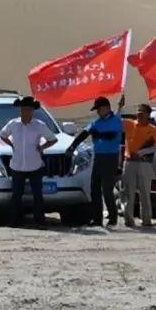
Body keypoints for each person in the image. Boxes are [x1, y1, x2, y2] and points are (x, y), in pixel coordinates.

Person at [0, 96, 58, 228]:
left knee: (37, 194)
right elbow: (2, 134)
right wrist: (12, 145)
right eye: (23, 109)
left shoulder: (39, 125)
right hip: (17, 165)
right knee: (16, 194)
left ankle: (40, 221)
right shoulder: (13, 124)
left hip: (35, 164)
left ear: (32, 110)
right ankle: (15, 221)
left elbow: (53, 139)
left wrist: (42, 147)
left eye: (28, 109)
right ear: (20, 110)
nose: (25, 112)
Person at [66, 96, 124, 227]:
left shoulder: (116, 120)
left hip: (110, 158)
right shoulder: (96, 123)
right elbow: (84, 134)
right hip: (98, 157)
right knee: (95, 188)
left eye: (99, 109)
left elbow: (111, 136)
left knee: (107, 189)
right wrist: (72, 146)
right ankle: (97, 219)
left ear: (106, 108)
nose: (97, 112)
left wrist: (98, 134)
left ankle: (113, 218)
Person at [121, 103, 156, 228]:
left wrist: (142, 152)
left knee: (145, 193)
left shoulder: (153, 129)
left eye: (142, 113)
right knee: (128, 192)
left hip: (144, 163)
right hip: (129, 162)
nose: (139, 114)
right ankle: (128, 220)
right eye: (138, 112)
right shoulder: (129, 124)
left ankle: (146, 220)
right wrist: (120, 107)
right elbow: (115, 120)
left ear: (148, 114)